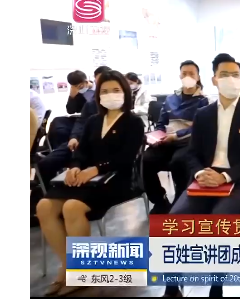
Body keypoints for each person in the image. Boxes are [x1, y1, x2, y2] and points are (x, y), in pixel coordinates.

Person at [162, 53, 240, 298]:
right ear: (214, 79)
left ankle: (216, 287)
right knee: (174, 219)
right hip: (205, 178)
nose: (231, 79)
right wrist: (200, 172)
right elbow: (192, 153)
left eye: (235, 75)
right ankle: (172, 288)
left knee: (220, 219)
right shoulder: (204, 114)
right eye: (224, 74)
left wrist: (226, 177)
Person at [36, 70, 145, 297]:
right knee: (44, 206)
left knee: (72, 207)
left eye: (116, 90)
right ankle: (68, 267)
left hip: (117, 179)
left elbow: (125, 159)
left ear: (125, 92)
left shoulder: (133, 122)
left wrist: (96, 169)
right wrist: (75, 166)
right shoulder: (94, 121)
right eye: (105, 91)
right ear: (98, 95)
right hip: (87, 178)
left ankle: (82, 271)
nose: (110, 94)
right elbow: (81, 151)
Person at [143, 60, 209, 213]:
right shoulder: (170, 99)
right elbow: (161, 122)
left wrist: (177, 135)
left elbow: (199, 128)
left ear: (198, 77)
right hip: (167, 141)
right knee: (146, 159)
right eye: (184, 73)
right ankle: (160, 200)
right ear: (179, 75)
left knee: (178, 161)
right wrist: (157, 137)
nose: (187, 76)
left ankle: (180, 202)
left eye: (191, 73)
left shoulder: (204, 101)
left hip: (188, 142)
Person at [37, 67, 111, 187]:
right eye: (100, 83)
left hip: (101, 147)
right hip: (82, 141)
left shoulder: (126, 111)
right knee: (46, 163)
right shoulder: (91, 104)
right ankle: (47, 191)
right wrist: (74, 137)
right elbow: (80, 120)